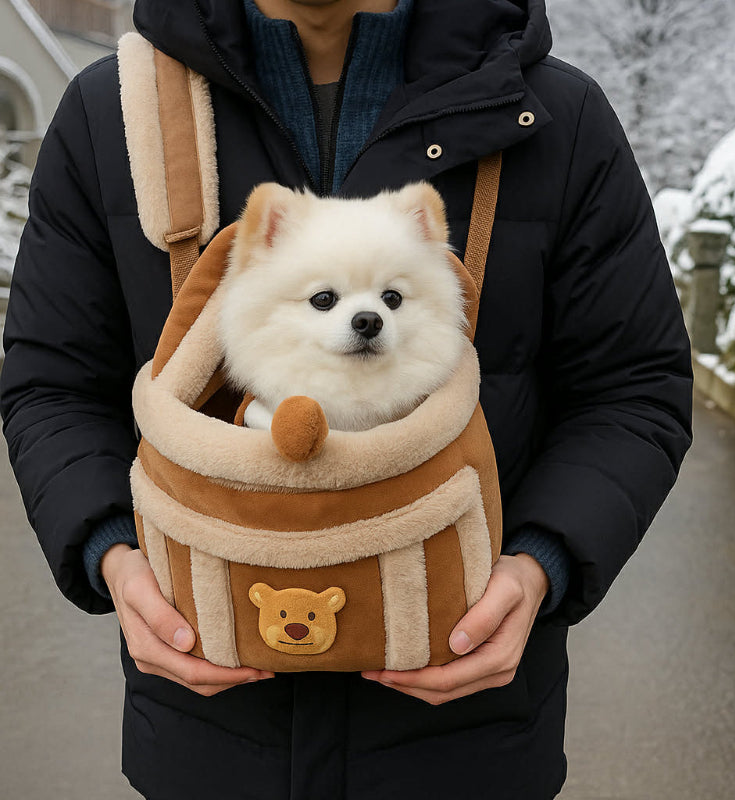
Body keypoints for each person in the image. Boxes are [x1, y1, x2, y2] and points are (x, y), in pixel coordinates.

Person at [0, 0, 693, 797]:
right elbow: (53, 384)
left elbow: (633, 388)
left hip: (468, 743)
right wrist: (114, 554)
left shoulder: (554, 117)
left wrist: (540, 565)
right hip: (209, 740)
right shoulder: (114, 115)